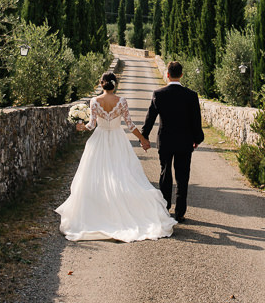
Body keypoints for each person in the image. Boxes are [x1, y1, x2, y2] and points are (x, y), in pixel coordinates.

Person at [55, 72, 176, 242]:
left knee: (97, 175)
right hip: (118, 140)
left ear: (101, 84)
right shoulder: (122, 101)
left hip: (99, 140)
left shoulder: (95, 101)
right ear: (115, 84)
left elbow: (91, 125)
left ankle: (99, 210)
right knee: (122, 174)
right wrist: (142, 139)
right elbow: (130, 124)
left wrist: (79, 127)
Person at [141, 61, 205, 222]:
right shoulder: (191, 95)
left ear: (168, 74)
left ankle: (165, 206)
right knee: (183, 176)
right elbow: (196, 120)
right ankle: (180, 211)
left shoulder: (159, 93)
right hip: (185, 141)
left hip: (165, 140)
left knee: (165, 173)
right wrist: (197, 139)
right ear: (181, 75)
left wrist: (144, 137)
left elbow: (150, 118)